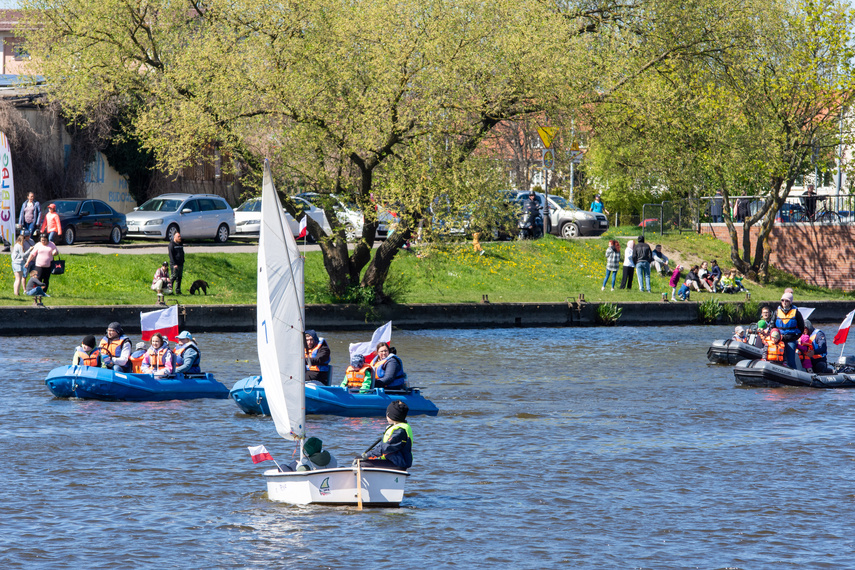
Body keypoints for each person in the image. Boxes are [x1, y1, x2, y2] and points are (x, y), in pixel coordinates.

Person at [360, 401, 413, 471]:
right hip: (391, 461)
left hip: (398, 464)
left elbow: (386, 448)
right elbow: (382, 446)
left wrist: (369, 455)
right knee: (358, 459)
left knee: (361, 464)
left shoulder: (400, 431)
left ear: (391, 416)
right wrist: (368, 455)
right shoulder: (396, 428)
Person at [774, 291, 805, 369]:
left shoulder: (796, 312)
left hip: (791, 339)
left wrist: (796, 337)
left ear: (790, 302)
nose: (784, 302)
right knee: (779, 359)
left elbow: (801, 327)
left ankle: (794, 375)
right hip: (779, 339)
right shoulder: (777, 312)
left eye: (786, 300)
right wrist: (775, 336)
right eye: (782, 300)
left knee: (791, 361)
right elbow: (772, 325)